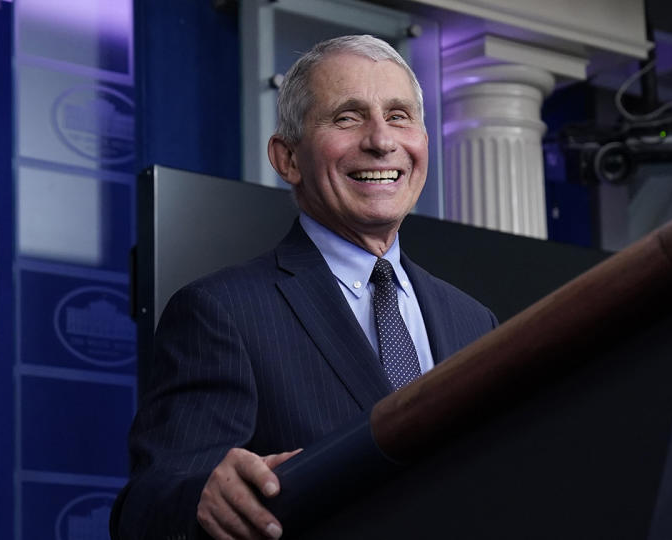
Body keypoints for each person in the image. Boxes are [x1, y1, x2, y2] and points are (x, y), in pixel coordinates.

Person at [111, 35, 497, 540]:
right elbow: (147, 505)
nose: (382, 140)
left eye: (399, 116)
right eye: (347, 117)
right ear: (287, 158)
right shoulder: (221, 312)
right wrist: (201, 495)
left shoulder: (475, 322)